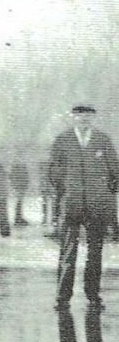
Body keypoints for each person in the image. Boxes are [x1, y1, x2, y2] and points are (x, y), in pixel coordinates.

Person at [49, 104, 119, 311]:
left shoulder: (103, 140)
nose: (84, 119)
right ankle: (62, 297)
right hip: (71, 204)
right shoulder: (62, 140)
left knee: (95, 252)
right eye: (79, 115)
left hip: (97, 205)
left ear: (94, 117)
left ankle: (93, 295)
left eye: (88, 115)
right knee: (68, 251)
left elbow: (115, 171)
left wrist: (106, 195)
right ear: (72, 117)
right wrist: (65, 191)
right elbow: (54, 171)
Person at [10, 158, 31, 226]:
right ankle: (18, 218)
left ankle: (18, 218)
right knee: (19, 202)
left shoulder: (16, 168)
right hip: (20, 187)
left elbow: (12, 177)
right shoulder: (20, 168)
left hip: (19, 187)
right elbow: (26, 177)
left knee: (19, 202)